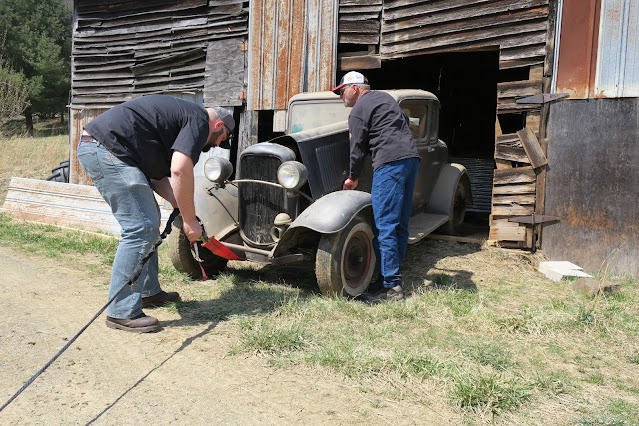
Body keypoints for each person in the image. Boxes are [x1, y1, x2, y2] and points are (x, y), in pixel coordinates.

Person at [77, 94, 235, 332]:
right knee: (140, 227)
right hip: (108, 151)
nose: (215, 147)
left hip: (106, 150)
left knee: (148, 223)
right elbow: (180, 170)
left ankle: (148, 292)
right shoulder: (199, 120)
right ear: (218, 126)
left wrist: (181, 207)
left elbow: (158, 177)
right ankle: (121, 312)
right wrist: (190, 221)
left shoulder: (176, 123)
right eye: (220, 141)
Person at [332, 71, 420, 304]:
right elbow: (403, 124)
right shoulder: (385, 98)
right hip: (410, 160)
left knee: (384, 225)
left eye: (342, 91)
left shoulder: (359, 110)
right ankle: (391, 277)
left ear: (355, 88)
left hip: (389, 163)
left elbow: (357, 147)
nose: (341, 97)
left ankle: (390, 288)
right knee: (399, 222)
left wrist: (352, 177)